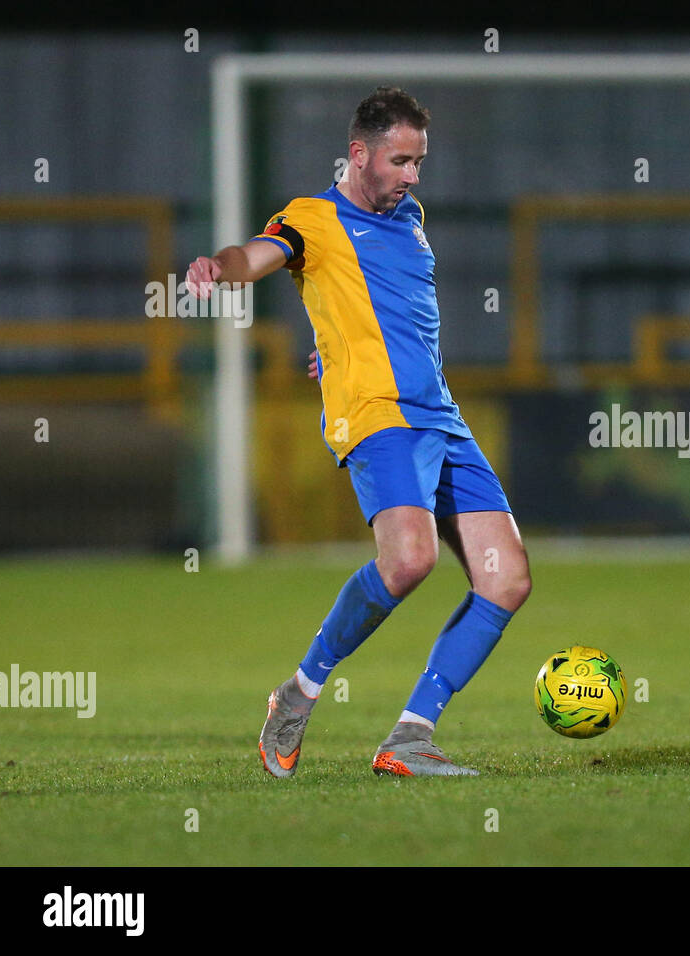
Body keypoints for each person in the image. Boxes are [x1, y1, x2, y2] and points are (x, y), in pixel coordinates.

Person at [186, 86, 531, 778]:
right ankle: (299, 692)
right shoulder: (312, 218)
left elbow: (383, 307)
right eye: (400, 161)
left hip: (439, 416)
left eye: (419, 162)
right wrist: (218, 269)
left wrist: (336, 344)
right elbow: (257, 254)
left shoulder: (410, 216)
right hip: (377, 416)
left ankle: (410, 737)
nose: (411, 176)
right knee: (409, 560)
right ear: (358, 154)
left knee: (507, 579)